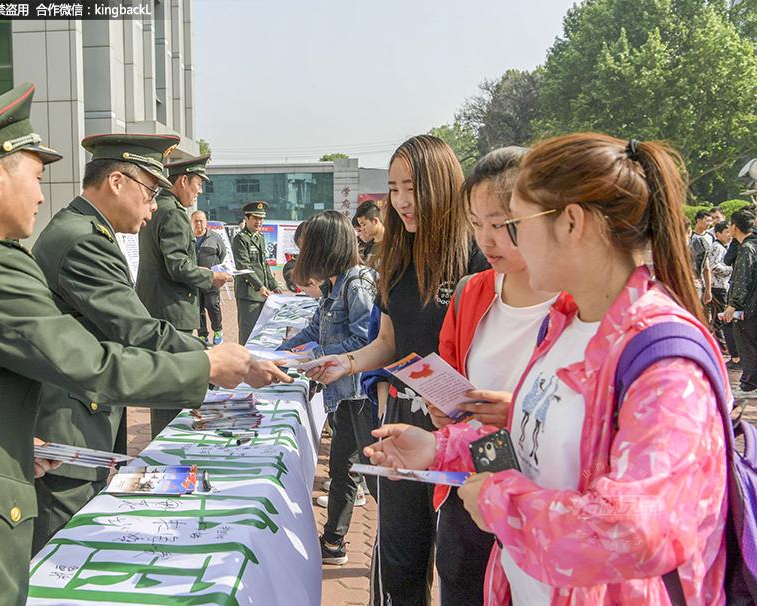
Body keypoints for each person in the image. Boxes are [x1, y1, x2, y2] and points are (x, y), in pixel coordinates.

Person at [0, 84, 255, 606]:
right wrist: (205, 365)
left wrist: (4, 440)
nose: (39, 194)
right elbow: (92, 363)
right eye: (35, 176)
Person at [366, 134, 728, 605]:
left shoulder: (663, 362)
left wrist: (500, 502)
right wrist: (439, 446)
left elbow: (639, 532)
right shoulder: (565, 326)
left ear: (571, 223)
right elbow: (537, 434)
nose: (496, 242)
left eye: (514, 223)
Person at [30, 135, 291, 552]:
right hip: (69, 427)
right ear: (117, 181)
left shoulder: (88, 231)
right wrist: (216, 362)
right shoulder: (81, 239)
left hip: (87, 414)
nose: (154, 208)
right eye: (151, 192)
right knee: (65, 552)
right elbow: (138, 329)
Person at [307, 134, 487, 605]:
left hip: (465, 431)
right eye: (393, 189)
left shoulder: (478, 259)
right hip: (403, 426)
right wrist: (344, 363)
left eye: (413, 187)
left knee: (461, 565)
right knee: (400, 559)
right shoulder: (396, 261)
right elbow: (387, 343)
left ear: (443, 186)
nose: (403, 202)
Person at [430, 146, 572, 604]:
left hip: (543, 498)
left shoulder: (577, 305)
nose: (486, 240)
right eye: (476, 225)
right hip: (469, 486)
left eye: (499, 224)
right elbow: (448, 373)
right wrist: (442, 409)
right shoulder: (472, 292)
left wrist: (516, 412)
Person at [277, 211, 377, 566]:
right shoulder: (335, 285)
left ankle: (363, 540)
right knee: (342, 468)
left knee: (368, 471)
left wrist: (315, 355)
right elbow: (314, 329)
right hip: (342, 395)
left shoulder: (357, 283)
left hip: (360, 394)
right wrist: (274, 355)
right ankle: (334, 541)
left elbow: (365, 338)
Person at [136, 153, 233, 437]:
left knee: (168, 386)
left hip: (161, 309)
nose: (200, 191)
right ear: (182, 180)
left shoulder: (161, 208)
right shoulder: (173, 213)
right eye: (198, 183)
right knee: (172, 388)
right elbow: (178, 266)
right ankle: (166, 453)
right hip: (171, 312)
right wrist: (210, 277)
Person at [232, 201, 281, 343]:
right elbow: (244, 266)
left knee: (261, 332)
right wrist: (259, 286)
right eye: (255, 218)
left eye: (261, 219)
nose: (259, 222)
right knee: (248, 333)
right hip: (249, 295)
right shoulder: (241, 239)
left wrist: (273, 285)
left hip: (262, 294)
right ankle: (245, 362)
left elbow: (263, 264)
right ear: (246, 219)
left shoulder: (259, 238)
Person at [723, 208, 757, 395]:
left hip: (748, 307)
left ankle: (749, 384)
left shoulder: (747, 249)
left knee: (747, 344)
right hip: (753, 304)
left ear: (735, 227)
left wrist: (733, 304)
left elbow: (743, 278)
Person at [191, 209, 228, 344]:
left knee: (212, 305)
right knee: (198, 308)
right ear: (191, 223)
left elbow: (222, 254)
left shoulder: (215, 237)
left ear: (206, 222)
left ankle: (218, 330)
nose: (199, 224)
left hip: (212, 279)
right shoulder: (188, 237)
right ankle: (202, 335)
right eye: (196, 221)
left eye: (201, 221)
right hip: (194, 279)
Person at [708, 220, 738, 366]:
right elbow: (714, 266)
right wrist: (732, 270)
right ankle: (721, 346)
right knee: (720, 318)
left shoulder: (724, 246)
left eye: (729, 231)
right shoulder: (717, 247)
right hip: (718, 287)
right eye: (726, 232)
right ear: (717, 233)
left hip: (722, 286)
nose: (729, 235)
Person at [354, 199, 385, 267]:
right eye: (360, 225)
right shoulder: (368, 247)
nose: (362, 229)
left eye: (364, 224)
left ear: (375, 221)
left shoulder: (394, 244)